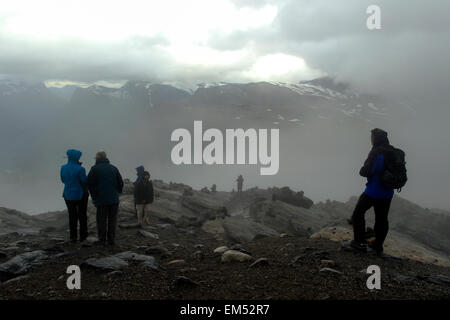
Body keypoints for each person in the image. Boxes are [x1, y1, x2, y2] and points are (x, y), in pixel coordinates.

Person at [349, 128, 394, 255]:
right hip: (388, 192)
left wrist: (362, 170)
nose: (371, 139)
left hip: (374, 190)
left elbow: (367, 171)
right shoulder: (392, 151)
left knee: (357, 214)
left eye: (371, 137)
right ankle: (377, 246)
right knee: (381, 219)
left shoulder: (377, 152)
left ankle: (359, 243)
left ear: (375, 138)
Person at [87, 151, 124, 246]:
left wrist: (94, 197)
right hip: (114, 199)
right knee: (112, 220)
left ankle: (102, 240)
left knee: (101, 220)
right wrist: (117, 192)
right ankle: (111, 240)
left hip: (101, 200)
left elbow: (90, 184)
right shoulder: (113, 168)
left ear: (97, 158)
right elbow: (120, 182)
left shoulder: (94, 169)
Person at [60, 149, 89, 243]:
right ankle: (83, 236)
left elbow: (63, 180)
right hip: (81, 194)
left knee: (72, 215)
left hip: (68, 194)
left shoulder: (63, 167)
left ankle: (73, 237)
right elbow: (84, 182)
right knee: (82, 215)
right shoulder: (81, 169)